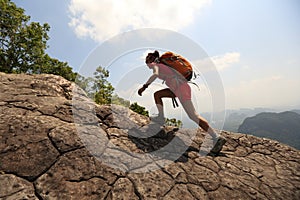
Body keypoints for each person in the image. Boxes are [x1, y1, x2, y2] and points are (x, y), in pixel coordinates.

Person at [138, 50, 226, 155]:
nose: (146, 62)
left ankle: (216, 137)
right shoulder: (164, 66)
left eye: (147, 60)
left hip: (181, 88)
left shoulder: (158, 66)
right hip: (177, 88)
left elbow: (155, 75)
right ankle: (161, 117)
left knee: (193, 115)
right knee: (157, 94)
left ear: (152, 59)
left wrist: (144, 87)